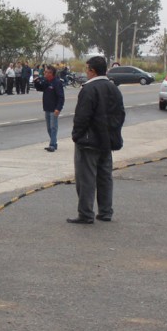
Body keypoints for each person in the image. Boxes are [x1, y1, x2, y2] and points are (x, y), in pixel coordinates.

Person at [68, 56, 125, 224]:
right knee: (105, 177)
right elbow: (120, 114)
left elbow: (82, 117)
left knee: (86, 179)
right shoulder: (114, 88)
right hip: (107, 140)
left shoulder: (89, 89)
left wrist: (77, 135)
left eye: (87, 69)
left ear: (92, 70)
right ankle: (106, 211)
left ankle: (86, 213)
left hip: (89, 141)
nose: (86, 72)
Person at [34, 65, 65, 152]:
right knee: (49, 128)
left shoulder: (57, 83)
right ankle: (54, 143)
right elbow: (40, 88)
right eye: (45, 72)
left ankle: (52, 145)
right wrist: (36, 82)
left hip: (54, 109)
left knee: (53, 127)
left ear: (51, 73)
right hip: (47, 108)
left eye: (47, 72)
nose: (45, 73)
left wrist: (58, 108)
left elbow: (61, 97)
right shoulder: (46, 81)